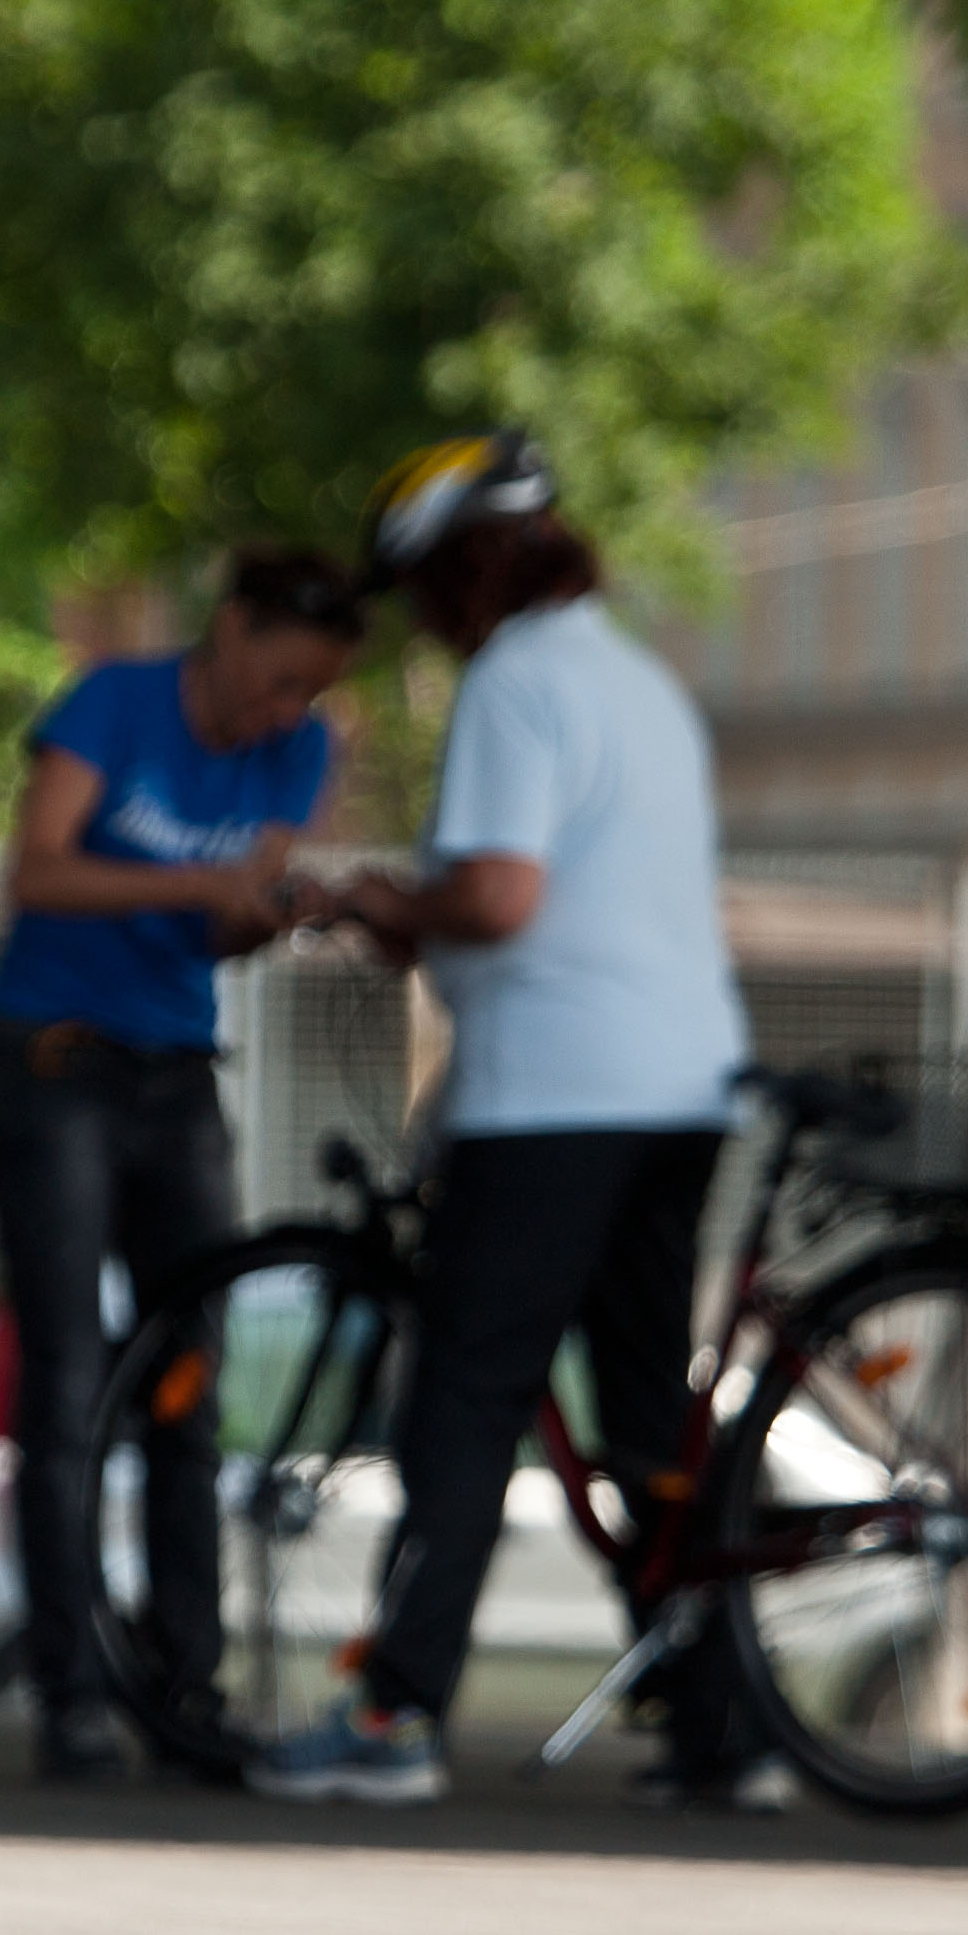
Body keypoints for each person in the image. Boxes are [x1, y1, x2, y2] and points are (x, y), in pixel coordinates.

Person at [252, 432, 779, 1812]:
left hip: (554, 1092)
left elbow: (496, 897)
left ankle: (394, 1716)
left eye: (425, 589)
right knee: (644, 1415)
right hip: (680, 1085)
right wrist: (422, 917)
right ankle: (720, 1727)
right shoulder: (638, 678)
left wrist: (380, 898)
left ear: (468, 572)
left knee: (463, 1399)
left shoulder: (513, 679)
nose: (421, 623)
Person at [0, 549, 368, 1781]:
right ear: (231, 626)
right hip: (56, 1067)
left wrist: (264, 911)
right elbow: (36, 870)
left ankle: (182, 1680)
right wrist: (201, 881)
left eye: (312, 692)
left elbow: (225, 920)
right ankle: (71, 1689)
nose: (285, 712)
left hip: (176, 1074)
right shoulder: (111, 706)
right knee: (68, 1383)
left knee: (186, 1379)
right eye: (280, 677)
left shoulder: (297, 751)